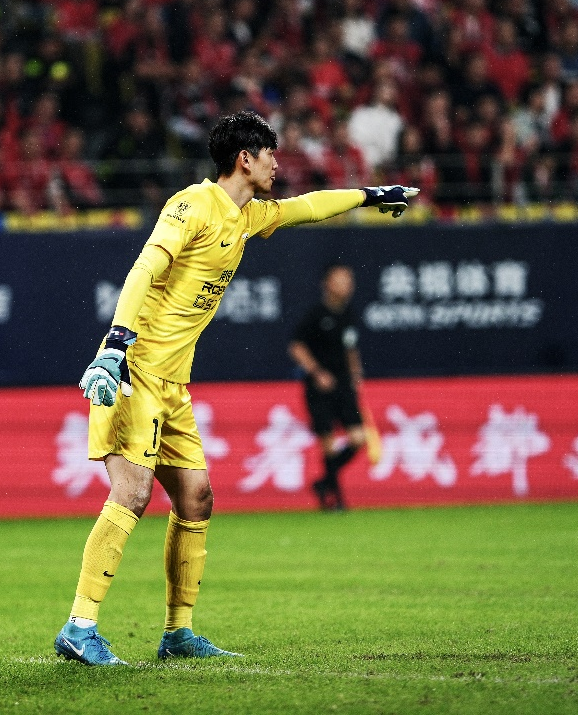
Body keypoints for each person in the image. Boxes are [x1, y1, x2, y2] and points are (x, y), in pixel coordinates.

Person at [55, 111, 418, 666]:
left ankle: (178, 634)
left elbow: (308, 207)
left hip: (173, 383)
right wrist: (115, 345)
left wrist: (371, 195)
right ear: (245, 159)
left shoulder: (246, 216)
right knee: (131, 493)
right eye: (269, 152)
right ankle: (80, 626)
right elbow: (143, 270)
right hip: (137, 370)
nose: (278, 161)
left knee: (197, 497)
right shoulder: (192, 204)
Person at [289, 263, 367, 511]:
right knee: (328, 442)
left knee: (358, 438)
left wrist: (356, 373)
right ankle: (335, 497)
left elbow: (350, 347)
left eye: (349, 280)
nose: (347, 285)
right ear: (327, 284)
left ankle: (324, 483)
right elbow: (296, 347)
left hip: (343, 384)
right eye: (341, 280)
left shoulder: (349, 314)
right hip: (319, 387)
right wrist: (317, 373)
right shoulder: (316, 314)